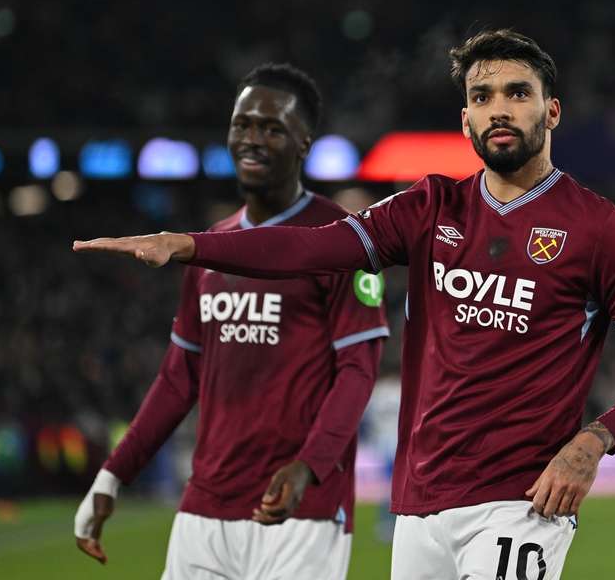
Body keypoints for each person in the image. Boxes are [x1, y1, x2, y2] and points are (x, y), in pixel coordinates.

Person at [74, 30, 615, 580]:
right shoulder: (429, 208)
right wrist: (187, 245)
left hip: (522, 502)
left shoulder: (605, 231)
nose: (498, 109)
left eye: (517, 93)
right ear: (465, 122)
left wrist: (592, 443)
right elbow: (309, 250)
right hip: (419, 505)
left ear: (551, 111)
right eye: (482, 98)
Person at [73, 63, 389, 580]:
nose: (252, 139)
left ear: (304, 142)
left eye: (272, 128)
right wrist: (114, 473)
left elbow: (358, 371)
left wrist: (310, 466)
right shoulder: (209, 249)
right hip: (204, 508)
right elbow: (179, 379)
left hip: (297, 510)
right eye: (243, 124)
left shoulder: (341, 241)